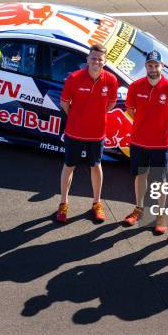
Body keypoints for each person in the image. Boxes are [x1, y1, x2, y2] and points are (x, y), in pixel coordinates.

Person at [56, 43, 118, 223]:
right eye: (93, 58)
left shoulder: (111, 80)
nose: (96, 61)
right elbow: (65, 104)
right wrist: (77, 118)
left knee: (96, 166)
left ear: (104, 61)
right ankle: (63, 204)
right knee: (69, 166)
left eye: (100, 59)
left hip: (97, 134)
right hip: (74, 132)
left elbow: (111, 104)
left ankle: (97, 203)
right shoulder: (74, 78)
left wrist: (95, 116)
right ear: (87, 59)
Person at [122, 51, 168, 233]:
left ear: (162, 67)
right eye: (150, 65)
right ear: (146, 66)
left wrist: (164, 127)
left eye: (156, 65)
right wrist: (142, 122)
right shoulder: (135, 87)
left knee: (160, 181)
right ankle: (138, 208)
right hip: (138, 141)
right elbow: (130, 109)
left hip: (160, 144)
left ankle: (160, 215)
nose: (153, 69)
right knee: (140, 176)